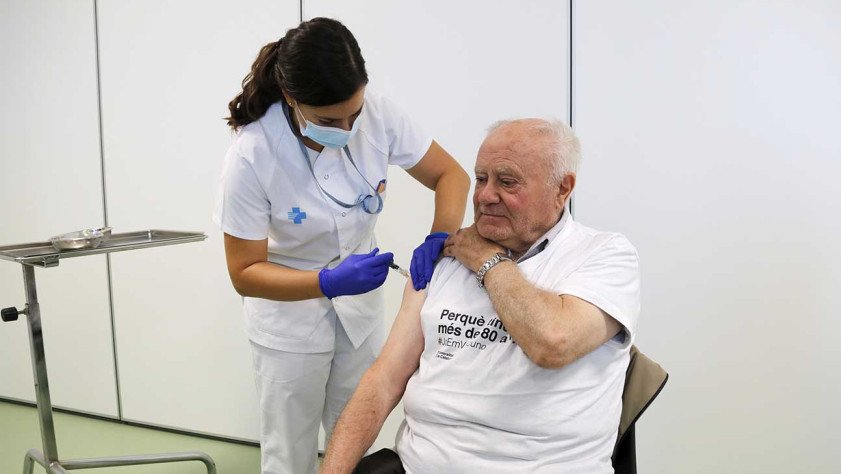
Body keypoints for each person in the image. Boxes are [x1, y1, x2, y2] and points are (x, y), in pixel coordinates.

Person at [213, 17, 470, 474]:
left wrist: (439, 235)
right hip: (288, 317)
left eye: (355, 112)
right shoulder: (253, 153)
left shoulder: (380, 115)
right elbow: (244, 272)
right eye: (331, 120)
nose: (349, 127)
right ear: (292, 99)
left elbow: (451, 175)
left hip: (361, 311)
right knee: (288, 453)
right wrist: (326, 282)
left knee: (355, 438)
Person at [320, 119, 641, 473]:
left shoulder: (604, 255)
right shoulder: (444, 260)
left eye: (507, 182)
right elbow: (382, 382)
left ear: (562, 189)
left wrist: (487, 260)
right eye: (481, 178)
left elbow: (553, 342)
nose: (486, 196)